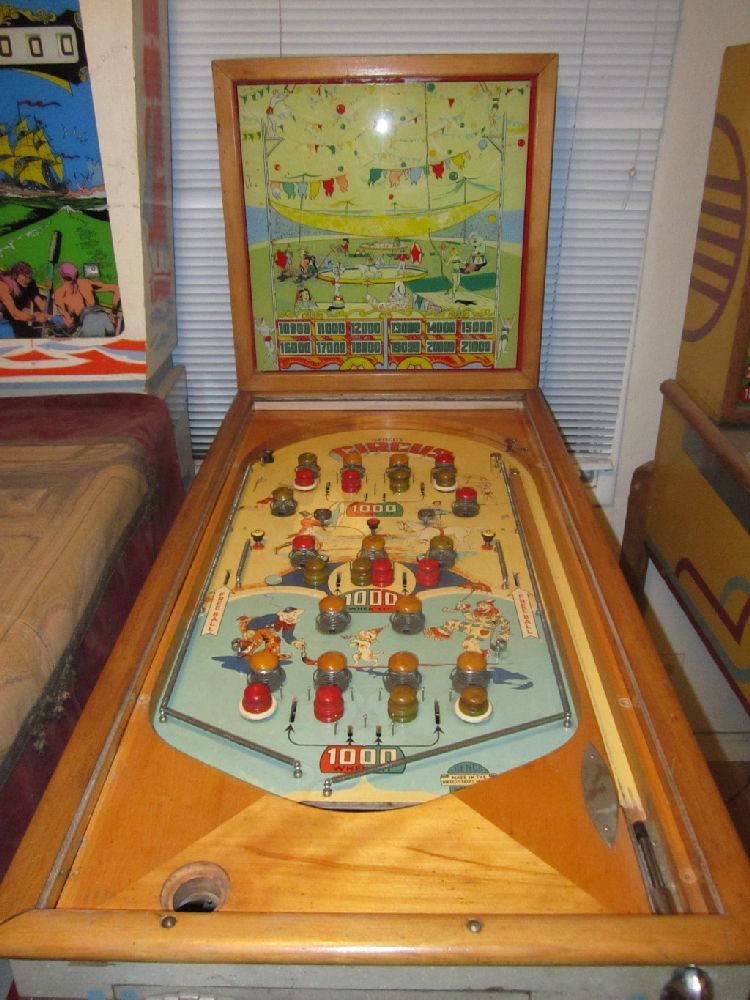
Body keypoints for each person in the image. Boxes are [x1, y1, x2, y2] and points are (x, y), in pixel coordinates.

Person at [52, 262, 120, 336]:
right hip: (108, 324)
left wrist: (71, 314)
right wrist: (113, 313)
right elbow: (116, 288)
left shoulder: (58, 294)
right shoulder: (86, 283)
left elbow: (70, 323)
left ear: (61, 277)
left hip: (90, 327)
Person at [0, 261, 51, 338]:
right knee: (9, 335)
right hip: (5, 319)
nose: (27, 280)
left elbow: (39, 302)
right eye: (25, 277)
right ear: (15, 275)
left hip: (12, 317)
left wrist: (47, 316)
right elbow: (15, 314)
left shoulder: (30, 283)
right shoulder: (4, 285)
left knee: (35, 336)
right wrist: (35, 318)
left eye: (29, 278)